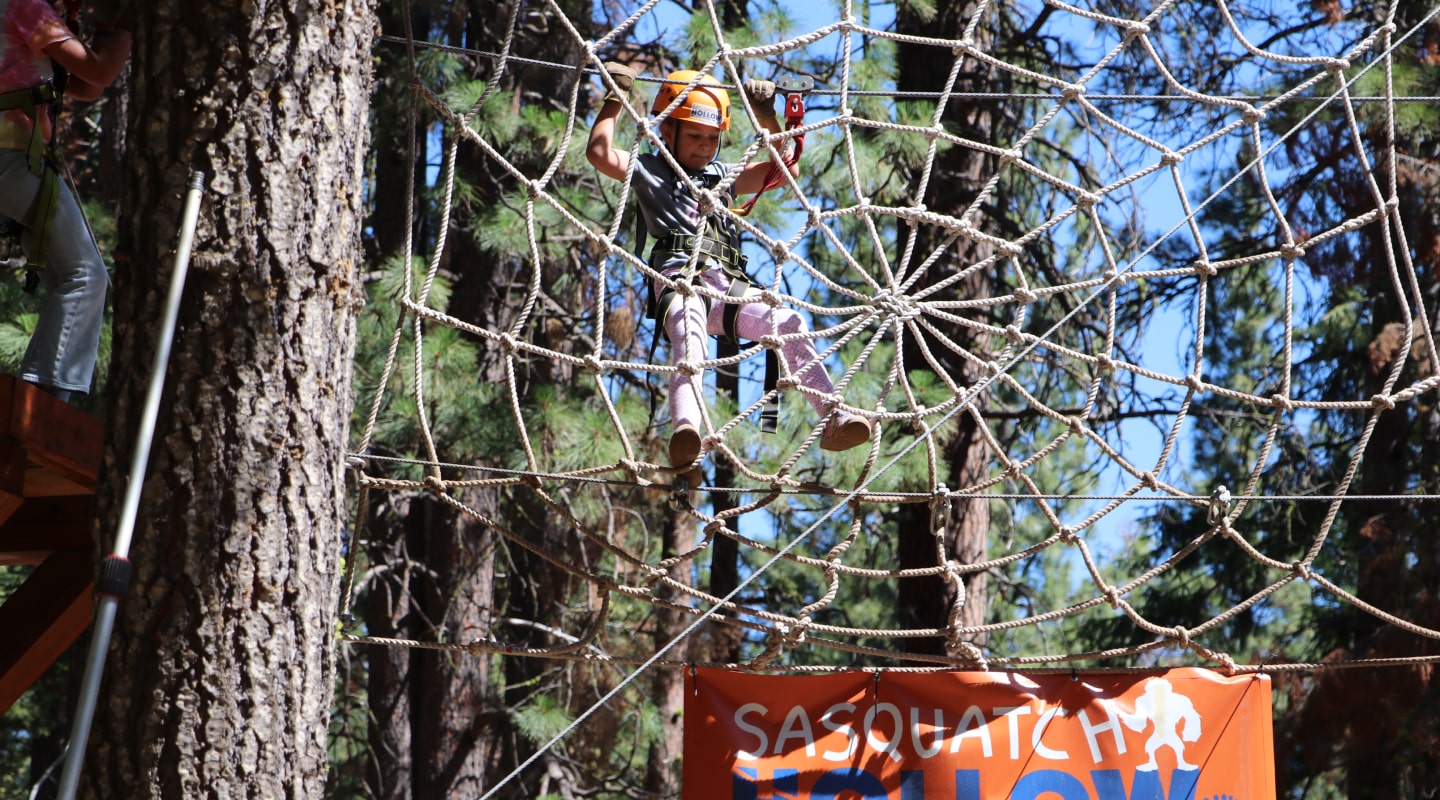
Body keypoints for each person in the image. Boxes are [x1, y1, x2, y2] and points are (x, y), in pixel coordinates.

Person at [586, 62, 874, 477]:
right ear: (668, 132)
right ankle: (687, 428)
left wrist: (768, 115)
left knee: (789, 322)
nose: (705, 146)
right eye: (695, 136)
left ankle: (833, 415)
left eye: (712, 138)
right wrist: (615, 97)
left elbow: (784, 169)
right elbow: (599, 153)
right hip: (680, 283)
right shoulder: (652, 170)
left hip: (728, 289)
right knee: (690, 342)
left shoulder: (721, 176)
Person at [0, 0, 131, 402]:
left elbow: (89, 87)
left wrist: (106, 33)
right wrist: (129, 23)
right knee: (86, 275)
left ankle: (33, 401)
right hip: (13, 158)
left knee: (65, 275)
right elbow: (100, 71)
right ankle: (44, 403)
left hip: (18, 161)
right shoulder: (24, 6)